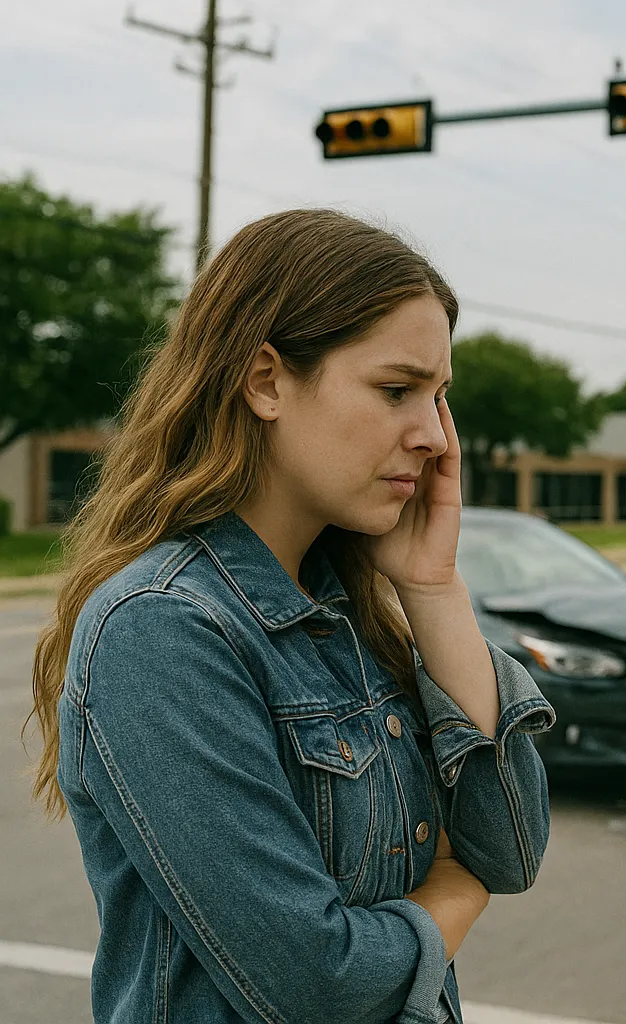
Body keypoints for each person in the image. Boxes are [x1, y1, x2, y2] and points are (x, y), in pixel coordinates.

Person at [28, 209, 554, 1023]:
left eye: (439, 396)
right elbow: (316, 984)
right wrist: (448, 895)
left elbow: (511, 845)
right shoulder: (160, 628)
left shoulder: (349, 611)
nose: (433, 436)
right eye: (396, 390)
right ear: (266, 380)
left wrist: (434, 588)